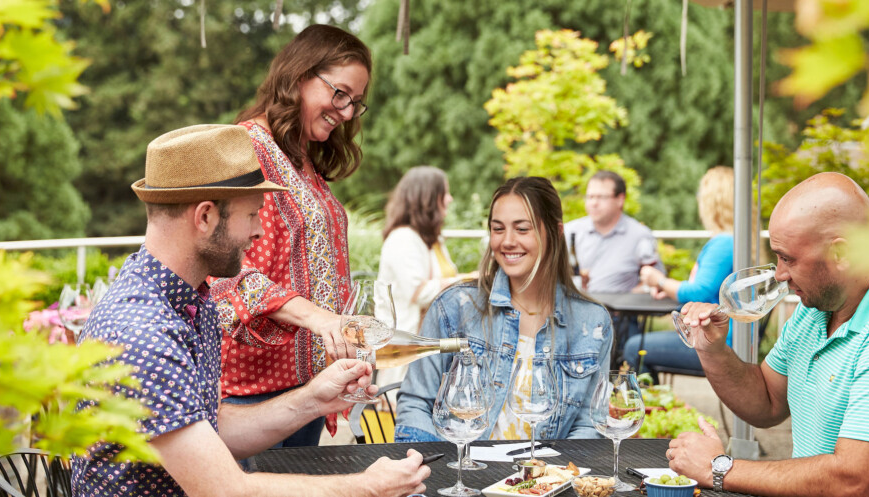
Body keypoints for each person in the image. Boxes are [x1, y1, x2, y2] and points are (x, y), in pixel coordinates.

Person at [71, 124, 429, 497]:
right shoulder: (144, 332)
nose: (260, 231)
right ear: (205, 217)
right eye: (252, 214)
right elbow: (226, 491)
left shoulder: (189, 301)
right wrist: (368, 488)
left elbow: (209, 430)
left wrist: (313, 399)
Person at [667, 172, 869, 497]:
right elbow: (766, 403)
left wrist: (718, 468)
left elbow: (851, 480)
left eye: (787, 258)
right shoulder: (814, 309)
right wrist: (713, 350)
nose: (779, 274)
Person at [208, 24, 372, 445]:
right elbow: (220, 271)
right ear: (299, 76)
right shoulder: (244, 146)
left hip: (306, 394)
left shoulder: (302, 161)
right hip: (248, 398)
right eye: (340, 94)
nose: (348, 112)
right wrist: (318, 319)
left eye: (356, 103)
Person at [394, 177, 613, 443]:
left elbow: (588, 425)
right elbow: (416, 404)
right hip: (459, 474)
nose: (507, 241)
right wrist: (434, 474)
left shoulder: (592, 322)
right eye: (498, 229)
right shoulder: (455, 307)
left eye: (522, 229)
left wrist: (553, 478)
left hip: (545, 480)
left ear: (555, 232)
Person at [622, 166, 735, 375]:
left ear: (712, 201)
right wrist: (669, 289)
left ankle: (649, 405)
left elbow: (698, 292)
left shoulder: (724, 243)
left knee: (634, 347)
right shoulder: (736, 240)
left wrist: (659, 280)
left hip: (717, 340)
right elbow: (709, 289)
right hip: (728, 337)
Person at [375, 166, 476, 388]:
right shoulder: (403, 238)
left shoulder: (432, 241)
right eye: (445, 193)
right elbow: (419, 293)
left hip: (433, 342)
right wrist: (470, 279)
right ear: (428, 198)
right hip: (407, 348)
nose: (449, 199)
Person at [564, 170, 665, 344]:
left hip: (619, 318)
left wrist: (627, 298)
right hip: (572, 314)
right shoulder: (569, 232)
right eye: (589, 197)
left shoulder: (639, 235)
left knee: (631, 345)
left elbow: (656, 281)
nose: (593, 203)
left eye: (601, 197)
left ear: (620, 199)